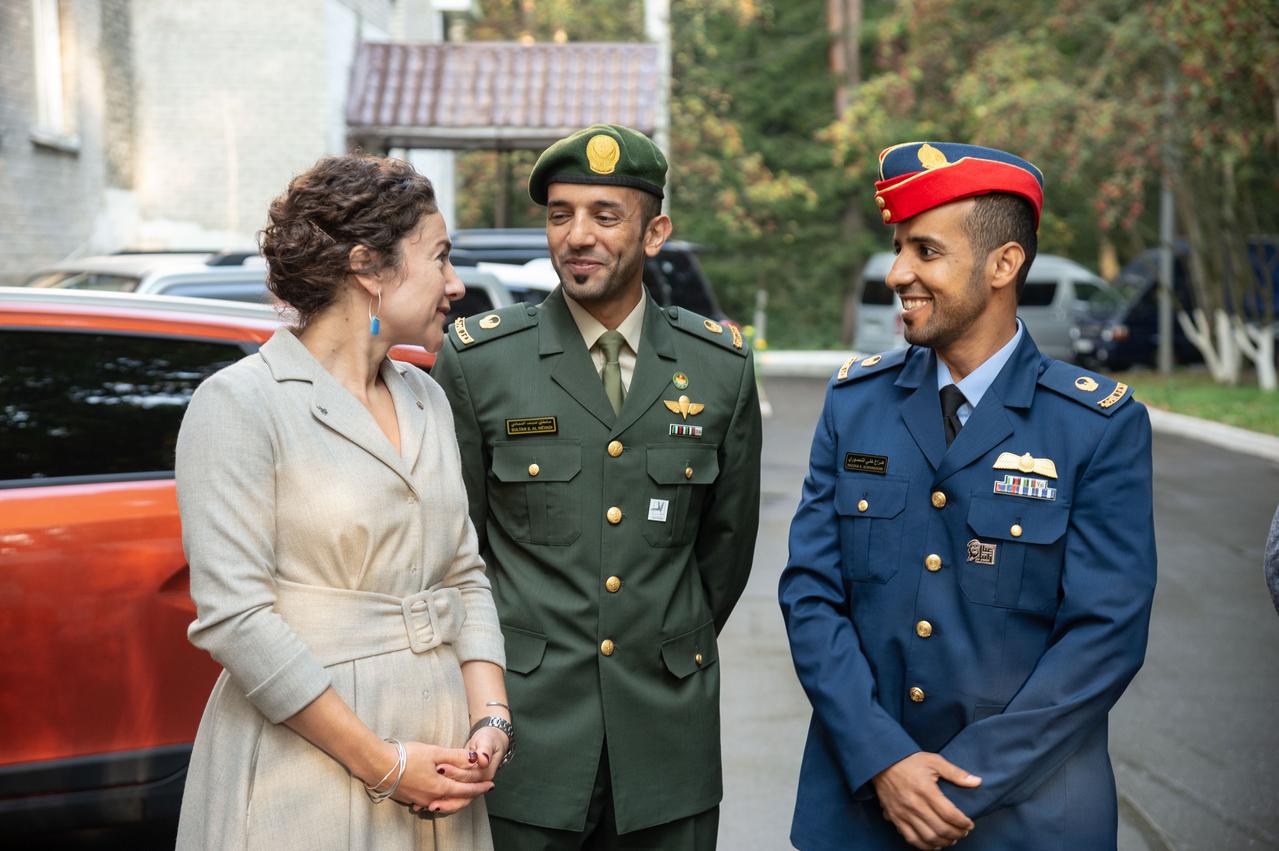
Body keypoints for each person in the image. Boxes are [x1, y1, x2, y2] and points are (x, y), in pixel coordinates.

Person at [779, 142, 1157, 850]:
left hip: (1025, 817)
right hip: (862, 806)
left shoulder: (1095, 425)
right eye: (897, 249)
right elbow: (810, 596)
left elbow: (1104, 635)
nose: (897, 273)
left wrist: (956, 780)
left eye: (924, 251)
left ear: (1002, 264)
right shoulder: (854, 404)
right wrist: (884, 759)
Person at [431, 124, 762, 850]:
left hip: (666, 732)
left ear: (654, 231)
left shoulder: (719, 368)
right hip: (527, 735)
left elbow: (724, 552)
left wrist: (662, 638)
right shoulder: (480, 362)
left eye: (604, 215)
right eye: (559, 214)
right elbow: (460, 555)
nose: (576, 235)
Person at [174, 155, 511, 849]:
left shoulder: (427, 397)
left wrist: (490, 721)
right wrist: (384, 764)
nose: (454, 284)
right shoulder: (239, 403)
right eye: (439, 258)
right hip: (309, 766)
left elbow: (463, 574)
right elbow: (237, 619)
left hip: (439, 756)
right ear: (368, 266)